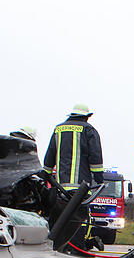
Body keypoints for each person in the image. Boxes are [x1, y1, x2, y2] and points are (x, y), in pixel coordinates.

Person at [44, 104, 105, 250]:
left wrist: (45, 175)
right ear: (87, 116)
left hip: (60, 187)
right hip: (80, 187)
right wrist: (99, 177)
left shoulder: (58, 129)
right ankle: (77, 249)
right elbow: (95, 155)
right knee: (78, 219)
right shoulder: (88, 130)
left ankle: (55, 248)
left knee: (60, 220)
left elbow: (49, 155)